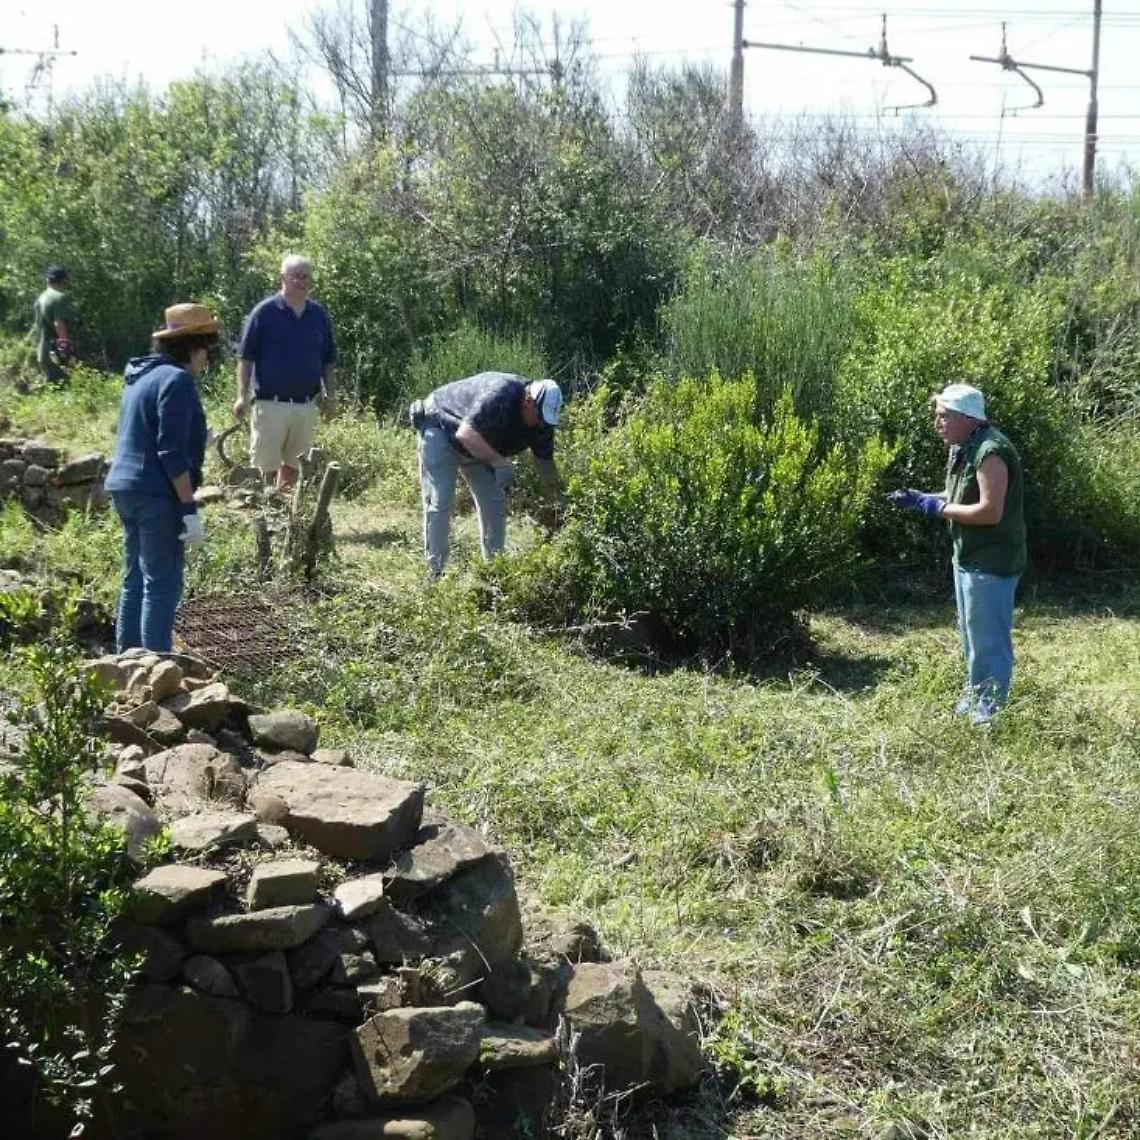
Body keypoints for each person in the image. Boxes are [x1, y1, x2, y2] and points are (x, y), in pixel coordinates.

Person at [887, 383, 1027, 726]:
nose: (938, 423)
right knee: (971, 634)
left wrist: (937, 509)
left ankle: (989, 712)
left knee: (988, 640)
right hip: (967, 555)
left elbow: (989, 512)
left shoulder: (990, 451)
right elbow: (957, 497)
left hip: (992, 560)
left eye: (944, 416)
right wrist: (923, 499)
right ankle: (976, 695)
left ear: (967, 417)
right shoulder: (965, 445)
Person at [104, 303, 218, 653]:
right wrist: (188, 507)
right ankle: (155, 669)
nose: (208, 359)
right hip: (156, 493)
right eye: (207, 349)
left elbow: (146, 432)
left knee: (135, 578)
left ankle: (127, 664)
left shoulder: (141, 376)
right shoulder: (177, 379)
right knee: (163, 581)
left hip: (125, 487)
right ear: (193, 346)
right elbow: (171, 455)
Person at [410, 372, 563, 577]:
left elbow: (545, 463)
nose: (540, 424)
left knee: (494, 502)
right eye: (539, 416)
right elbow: (466, 434)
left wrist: (559, 501)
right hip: (441, 428)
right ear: (528, 400)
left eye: (545, 419)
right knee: (441, 502)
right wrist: (500, 464)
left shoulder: (542, 423)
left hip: (478, 445)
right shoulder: (500, 394)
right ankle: (434, 573)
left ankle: (494, 572)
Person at [234, 254, 336, 490]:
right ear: (283, 278)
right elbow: (245, 358)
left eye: (305, 276)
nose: (300, 281)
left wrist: (330, 397)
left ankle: (285, 520)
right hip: (270, 404)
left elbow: (329, 361)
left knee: (294, 468)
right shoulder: (264, 312)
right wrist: (242, 395)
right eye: (295, 276)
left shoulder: (318, 315)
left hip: (305, 406)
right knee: (263, 469)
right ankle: (263, 520)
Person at [32, 265, 75, 383]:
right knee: (65, 386)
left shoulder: (40, 298)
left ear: (48, 280)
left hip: (42, 351)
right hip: (53, 351)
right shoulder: (59, 298)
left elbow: (38, 327)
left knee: (51, 386)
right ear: (63, 281)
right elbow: (58, 324)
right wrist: (65, 347)